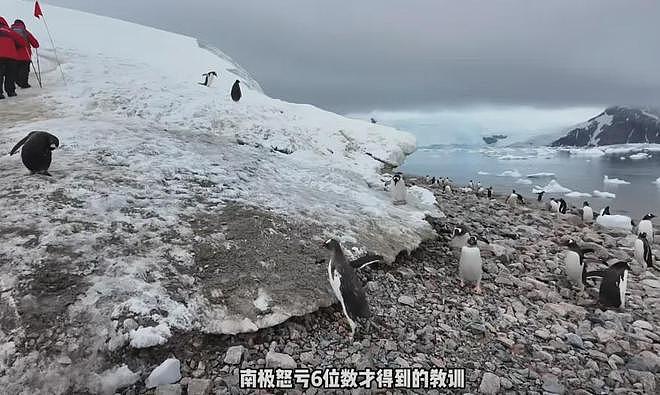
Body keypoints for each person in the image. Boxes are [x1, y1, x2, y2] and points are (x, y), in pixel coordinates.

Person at [0, 17, 26, 99]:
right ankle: (11, 92)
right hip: (11, 57)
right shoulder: (10, 31)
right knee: (10, 75)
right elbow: (22, 42)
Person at [11, 20, 39, 89]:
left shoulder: (10, 32)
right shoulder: (25, 32)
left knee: (14, 70)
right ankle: (24, 84)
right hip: (25, 56)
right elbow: (35, 44)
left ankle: (17, 82)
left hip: (14, 56)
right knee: (25, 71)